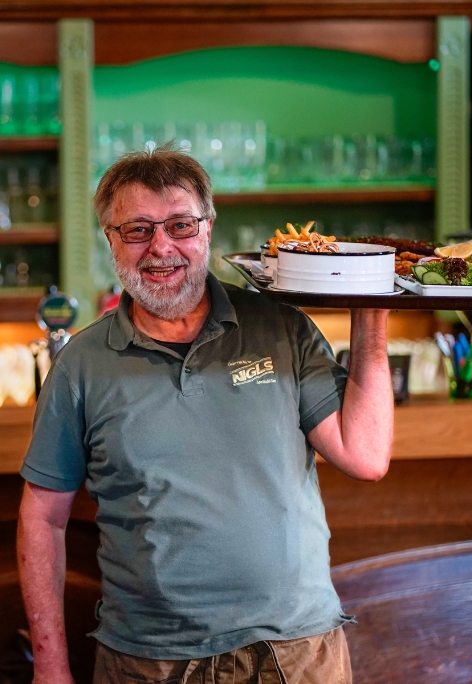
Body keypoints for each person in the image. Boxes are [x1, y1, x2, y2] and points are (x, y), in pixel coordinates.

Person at [17, 145, 394, 684]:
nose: (161, 247)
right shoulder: (81, 364)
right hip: (150, 661)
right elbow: (42, 518)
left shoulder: (282, 328)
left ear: (208, 229)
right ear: (110, 240)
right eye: (138, 229)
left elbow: (365, 455)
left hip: (298, 650)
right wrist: (50, 666)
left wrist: (374, 313)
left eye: (179, 225)